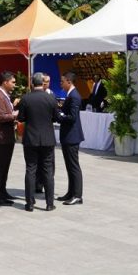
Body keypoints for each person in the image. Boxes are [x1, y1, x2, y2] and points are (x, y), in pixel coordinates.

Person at [17, 73, 60, 212]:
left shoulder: (25, 98)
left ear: (31, 83)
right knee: (48, 170)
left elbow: (21, 118)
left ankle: (29, 203)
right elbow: (55, 117)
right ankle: (49, 203)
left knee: (30, 169)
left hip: (31, 138)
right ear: (43, 83)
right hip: (47, 138)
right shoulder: (50, 98)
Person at [0, 71, 19, 206]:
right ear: (5, 82)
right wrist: (15, 115)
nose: (14, 84)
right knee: (0, 167)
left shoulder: (5, 96)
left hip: (7, 137)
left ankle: (3, 192)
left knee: (5, 166)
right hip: (1, 138)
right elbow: (1, 117)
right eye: (13, 82)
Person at [57, 72, 84, 205]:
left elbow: (72, 117)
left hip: (72, 136)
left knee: (73, 166)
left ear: (69, 81)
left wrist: (59, 116)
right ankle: (71, 192)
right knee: (69, 166)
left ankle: (77, 195)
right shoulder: (70, 95)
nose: (60, 84)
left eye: (62, 81)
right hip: (68, 136)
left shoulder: (74, 96)